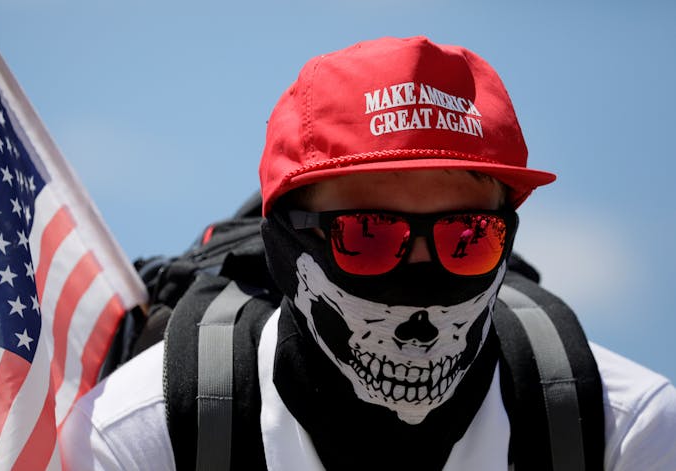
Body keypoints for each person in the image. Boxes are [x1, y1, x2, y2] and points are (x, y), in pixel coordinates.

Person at [60, 36, 676, 470]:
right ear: (285, 247)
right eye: (369, 235)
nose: (423, 303)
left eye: (467, 238)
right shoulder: (143, 439)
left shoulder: (622, 431)